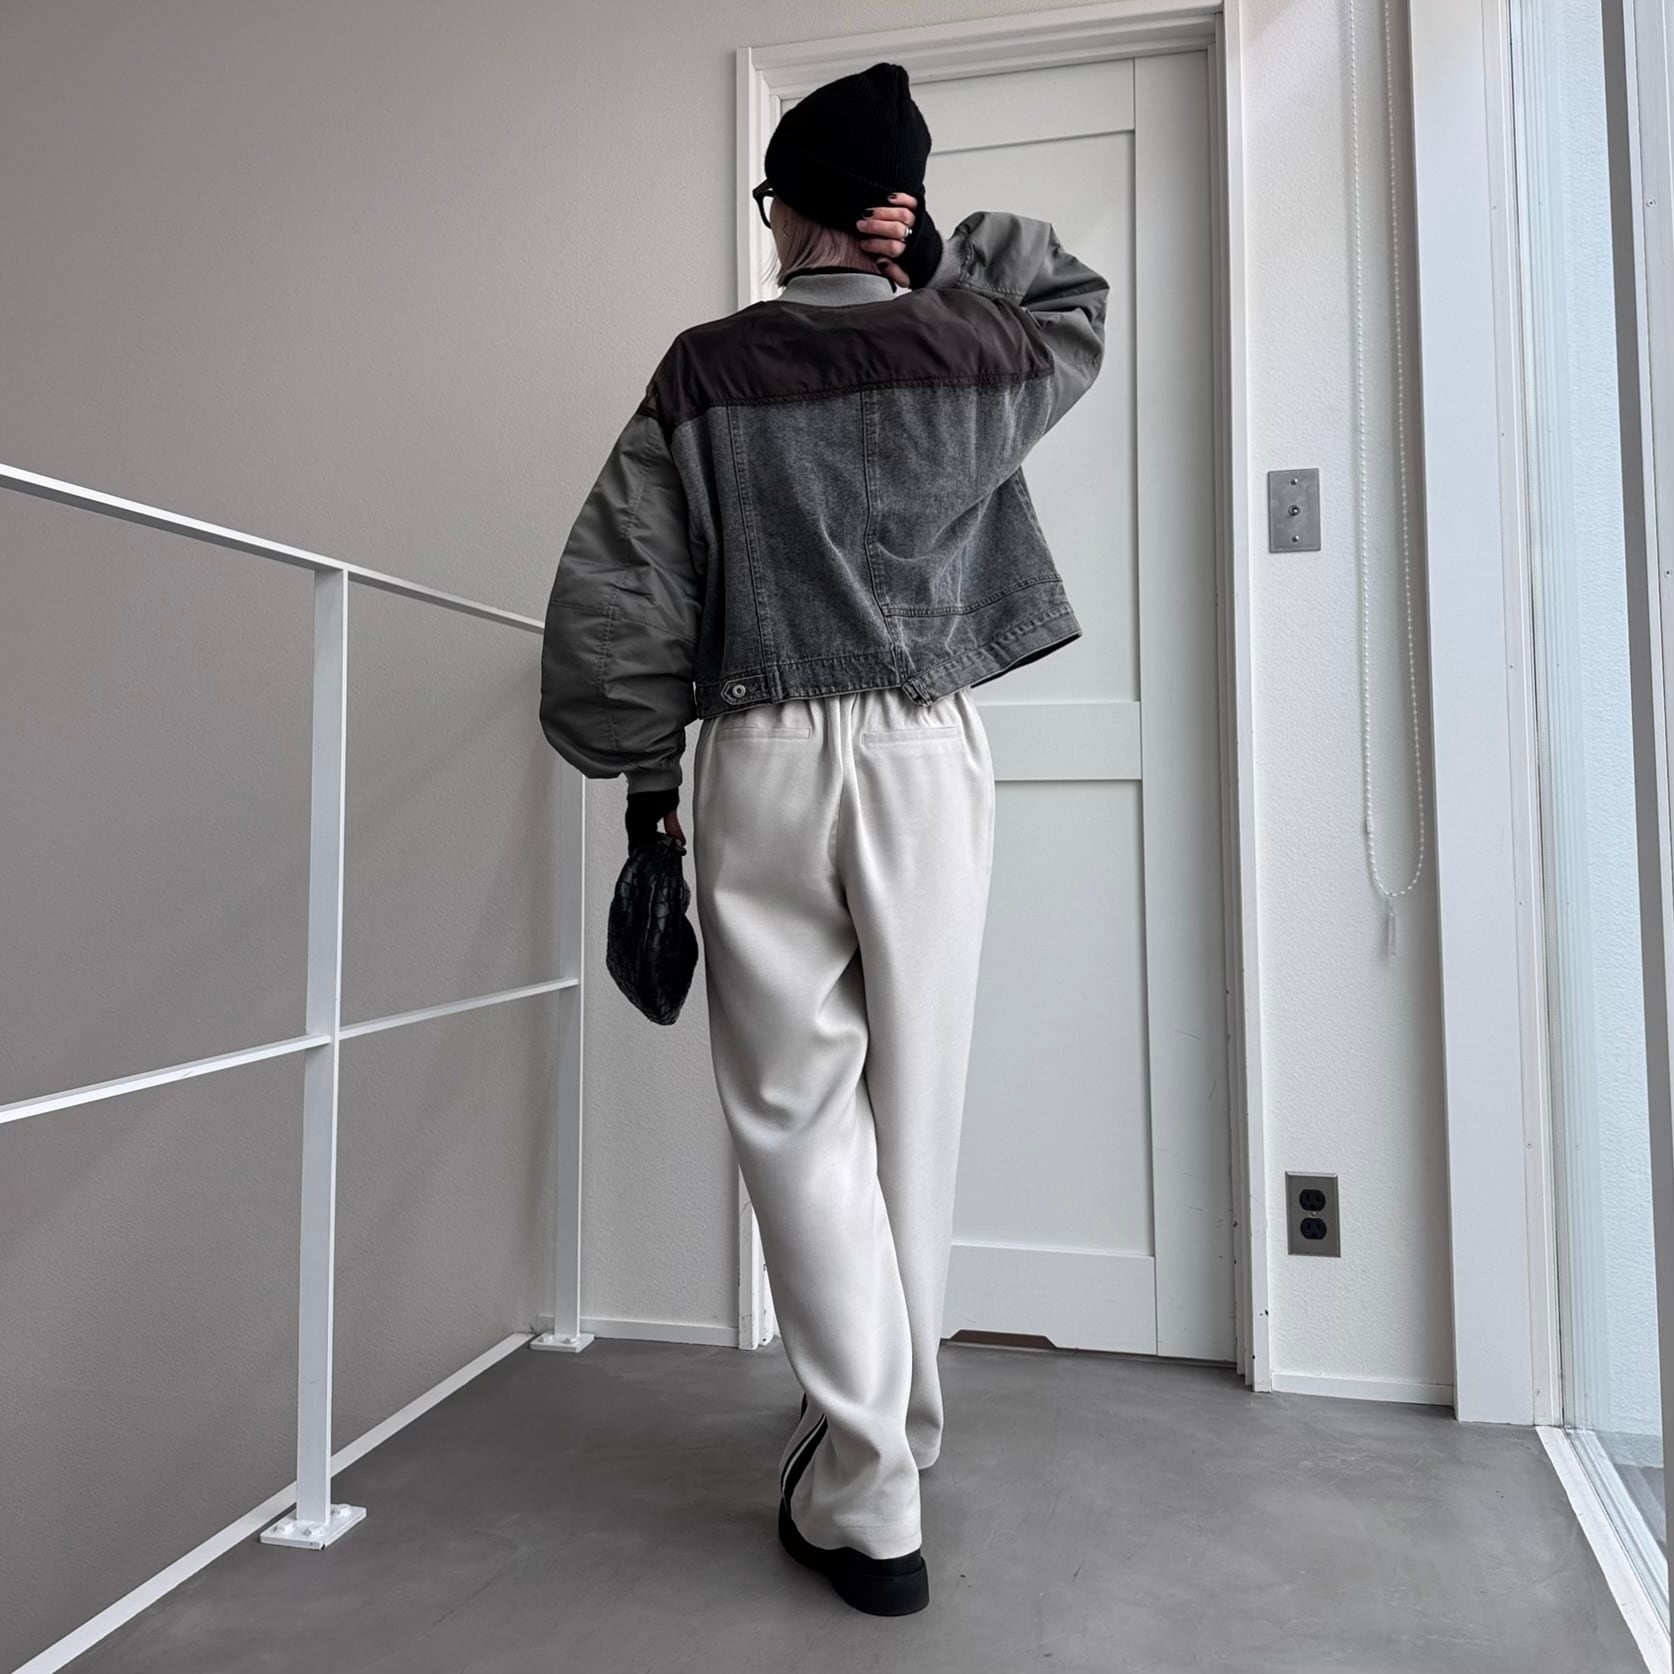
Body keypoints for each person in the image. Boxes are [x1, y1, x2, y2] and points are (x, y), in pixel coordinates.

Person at [539, 60, 1107, 1617]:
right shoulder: (979, 344)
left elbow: (624, 590)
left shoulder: (708, 369)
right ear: (896, 210)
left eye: (770, 198)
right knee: (914, 1110)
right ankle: (888, 1444)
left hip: (764, 746)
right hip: (927, 754)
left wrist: (643, 781)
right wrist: (937, 250)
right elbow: (1071, 298)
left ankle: (869, 1480)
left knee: (798, 1123)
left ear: (794, 206)